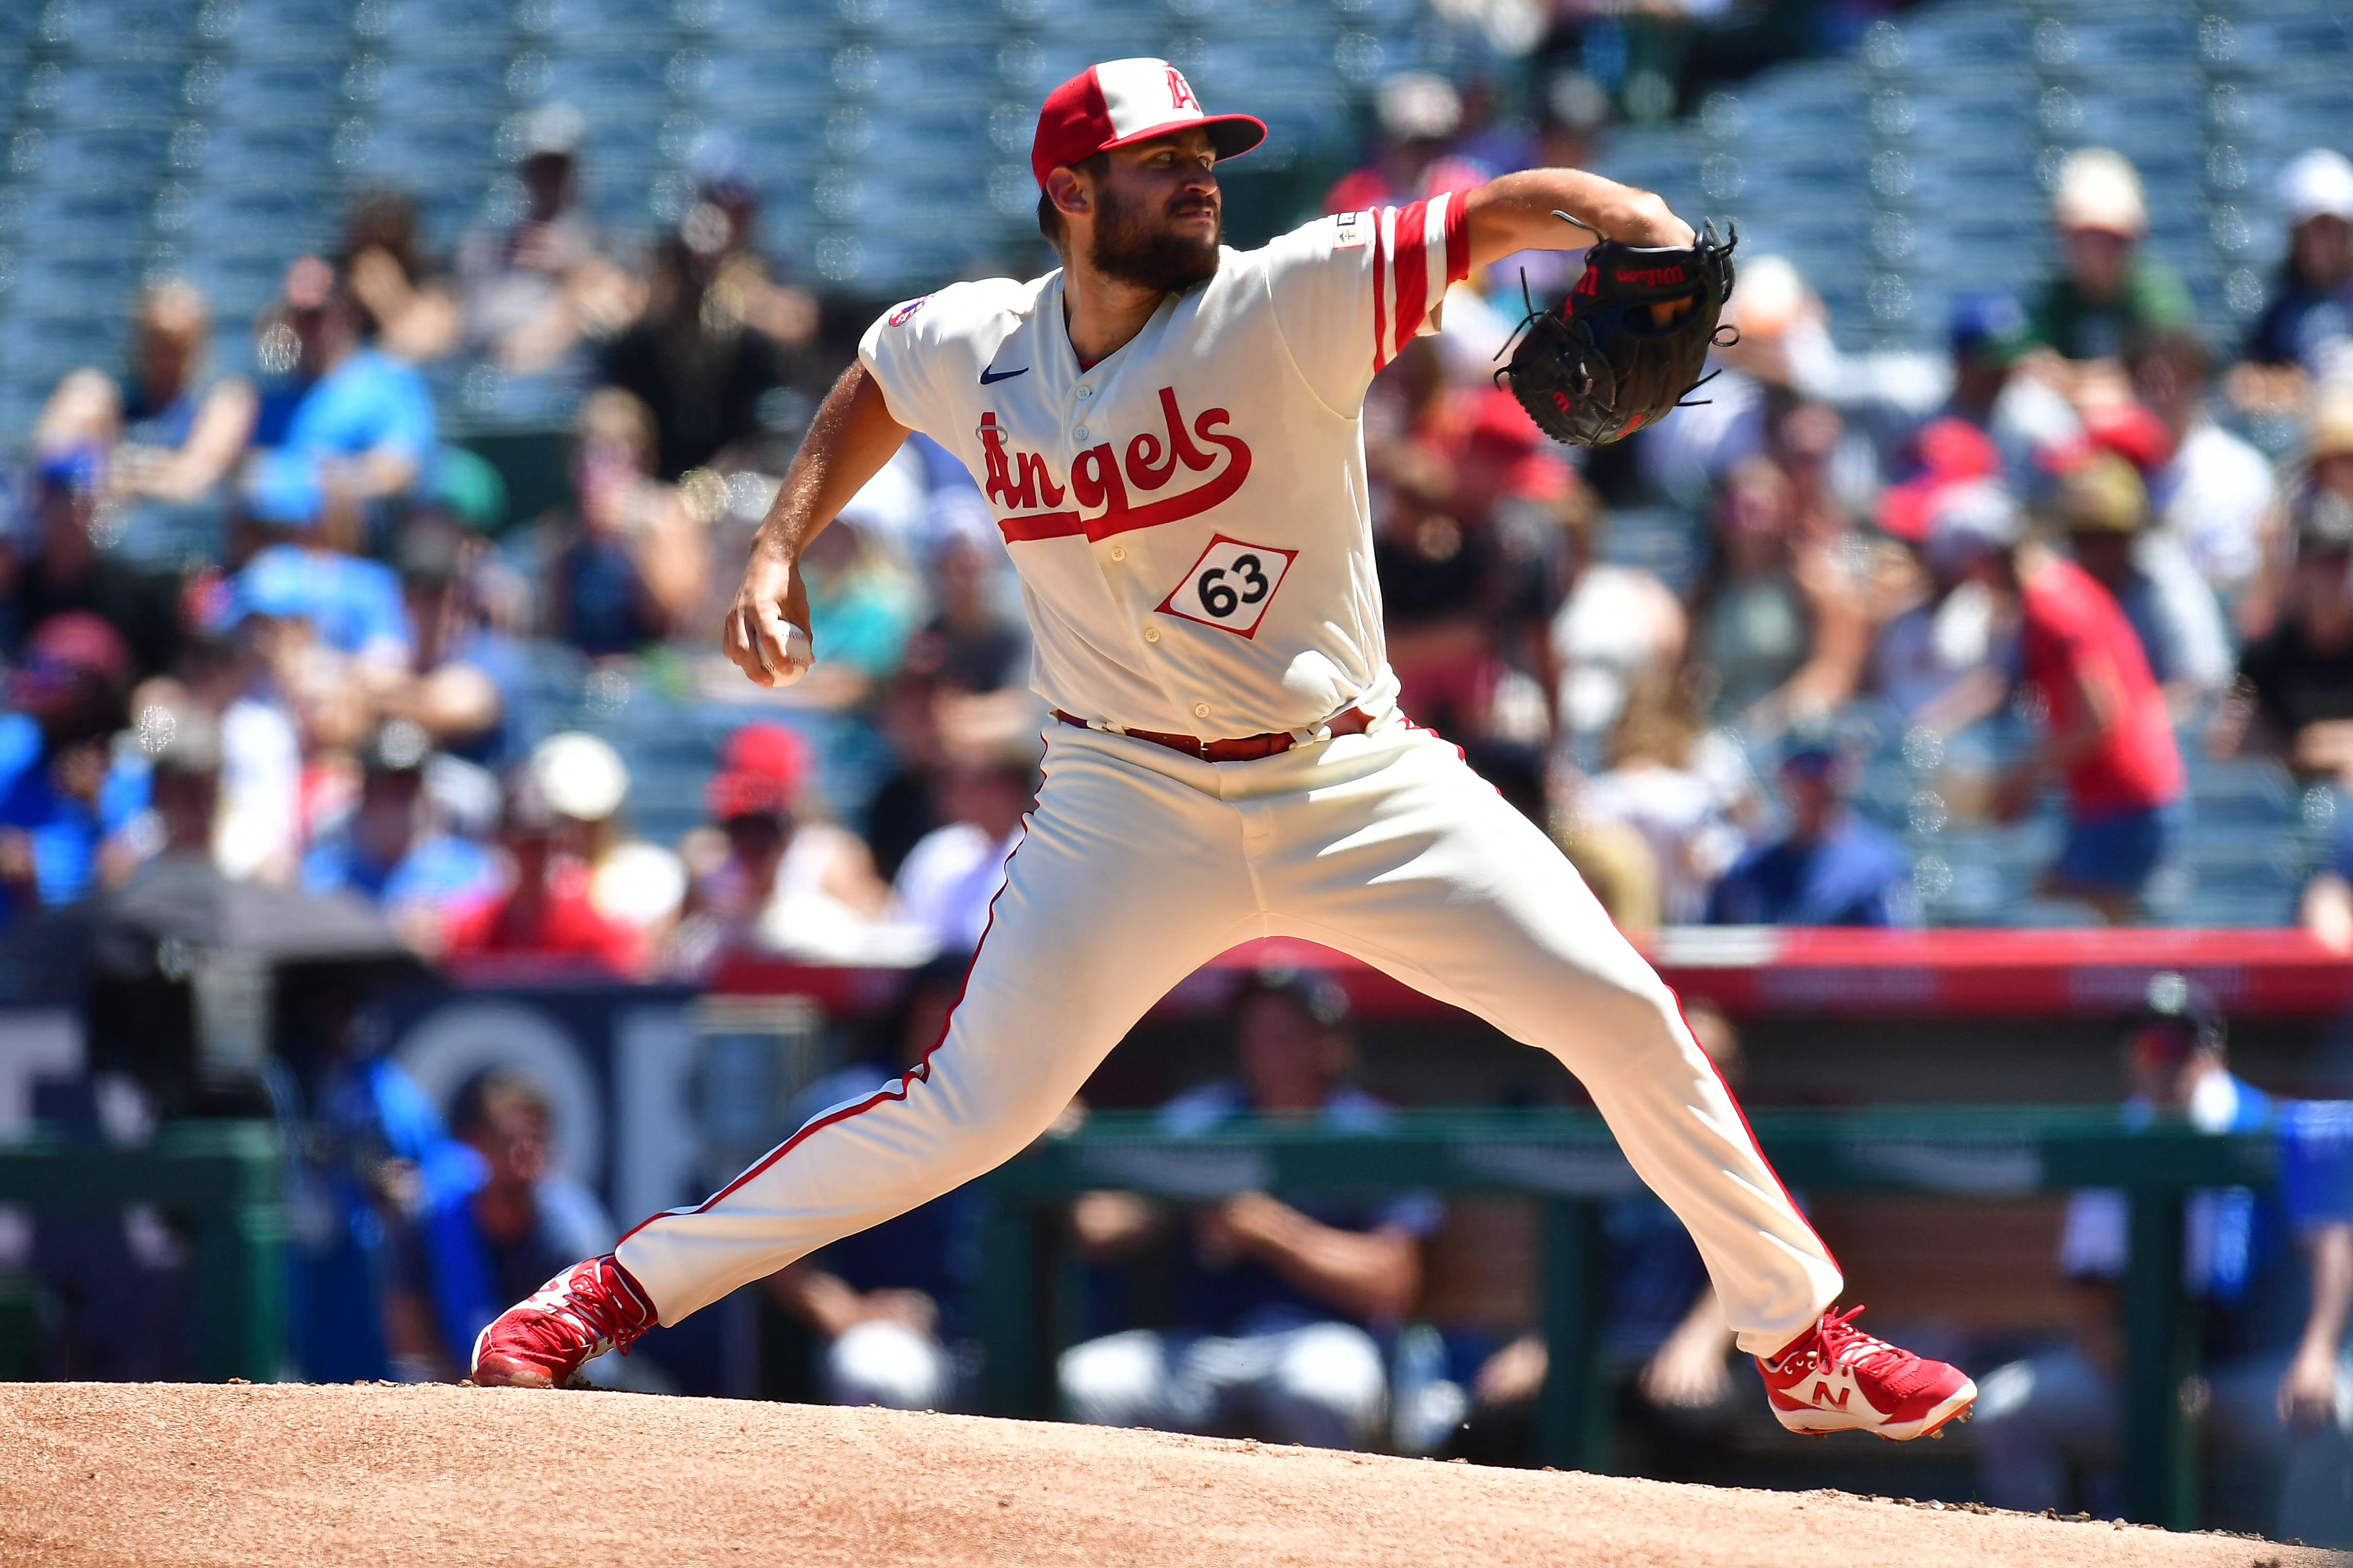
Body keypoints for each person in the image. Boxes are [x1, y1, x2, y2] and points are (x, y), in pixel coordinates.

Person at [473, 57, 1975, 1443]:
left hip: (1346, 776)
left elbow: (1479, 220)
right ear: (1069, 193)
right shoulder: (981, 347)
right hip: (1121, 797)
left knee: (1614, 1003)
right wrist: (775, 548)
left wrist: (1624, 214)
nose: (1197, 176)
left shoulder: (1283, 296)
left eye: (1204, 152)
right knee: (967, 1110)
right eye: (1156, 160)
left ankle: (1798, 1337)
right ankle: (604, 1292)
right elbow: (875, 374)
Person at [1972, 977, 2353, 1545]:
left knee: (2335, 1419)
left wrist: (2316, 1353)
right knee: (2007, 1410)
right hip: (2141, 1376)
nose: (2165, 1060)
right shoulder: (2117, 1138)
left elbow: (2329, 1246)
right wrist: (2144, 1377)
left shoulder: (2273, 1129)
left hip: (2253, 1369)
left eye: (2182, 1043)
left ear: (2214, 1051)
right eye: (2150, 1045)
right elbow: (2089, 1298)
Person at [1058, 969, 1440, 1449]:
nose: (1264, 1050)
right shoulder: (1203, 1119)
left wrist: (1269, 1230)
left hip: (1318, 1340)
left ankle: (1327, 1524)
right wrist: (1074, 1139)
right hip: (1203, 1347)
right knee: (1089, 1383)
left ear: (1329, 1044)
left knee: (1328, 1388)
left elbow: (1392, 1281)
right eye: (1254, 1033)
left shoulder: (1371, 1132)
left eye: (1284, 1034)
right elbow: (1098, 1229)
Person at [1926, 483, 2187, 919]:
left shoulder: (2055, 605)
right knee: (2070, 913)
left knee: (2081, 927)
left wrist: (2025, 776)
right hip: (2114, 798)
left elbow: (2098, 717)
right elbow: (2001, 685)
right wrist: (1934, 726)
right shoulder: (2055, 594)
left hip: (2126, 798)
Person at [764, 960, 986, 1412]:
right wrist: (851, 1312)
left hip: (1002, 1341)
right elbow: (765, 1237)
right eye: (955, 998)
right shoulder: (854, 1103)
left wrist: (1067, 1139)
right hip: (896, 1339)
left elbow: (1097, 1229)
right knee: (878, 1370)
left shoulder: (1020, 1104)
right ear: (924, 1004)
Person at [28, 278, 257, 570]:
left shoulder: (223, 401)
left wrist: (116, 472)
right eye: (154, 341)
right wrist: (154, 471)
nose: (163, 357)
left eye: (175, 344)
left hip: (190, 564)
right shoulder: (111, 403)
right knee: (83, 391)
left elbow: (192, 483)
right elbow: (49, 468)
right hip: (105, 560)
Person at [400, 1071, 614, 1380]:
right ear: (475, 1144)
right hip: (453, 1391)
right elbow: (409, 1335)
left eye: (537, 1139)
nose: (525, 1151)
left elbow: (592, 1362)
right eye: (507, 1140)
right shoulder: (434, 1221)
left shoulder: (572, 1234)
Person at [241, 255, 438, 555]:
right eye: (297, 315)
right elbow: (243, 472)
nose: (307, 326)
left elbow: (402, 470)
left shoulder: (388, 381)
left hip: (358, 555)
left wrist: (338, 477)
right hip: (272, 551)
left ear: (345, 311)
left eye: (317, 314)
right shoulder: (274, 394)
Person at [2051, 451, 2232, 713]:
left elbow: (2201, 683)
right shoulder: (2062, 584)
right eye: (2082, 538)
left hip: (2165, 730)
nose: (2094, 551)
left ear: (2131, 536)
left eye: (2107, 537)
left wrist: (2127, 724)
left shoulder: (2166, 582)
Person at [300, 718, 498, 954]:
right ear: (365, 796)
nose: (400, 802)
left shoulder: (472, 872)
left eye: (409, 786)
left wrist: (447, 927)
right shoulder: (324, 873)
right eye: (387, 787)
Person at [2214, 488, 2353, 790]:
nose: (2332, 574)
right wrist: (2299, 750)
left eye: (2341, 559)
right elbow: (2230, 741)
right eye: (2321, 560)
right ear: (2299, 567)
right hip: (2285, 801)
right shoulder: (2268, 650)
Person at [1705, 724, 1911, 928]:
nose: (1812, 779)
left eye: (1824, 766)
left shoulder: (1877, 867)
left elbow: (1899, 954)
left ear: (1849, 773)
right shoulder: (1750, 871)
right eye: (1801, 766)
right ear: (1781, 775)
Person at [2018, 148, 2196, 367]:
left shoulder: (2155, 296)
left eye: (2106, 238)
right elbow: (2035, 359)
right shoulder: (2058, 301)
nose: (2095, 249)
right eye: (2085, 237)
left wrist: (2079, 383)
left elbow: (2166, 372)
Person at [2234, 150, 2353, 407]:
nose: (2324, 242)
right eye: (2314, 229)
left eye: (2333, 228)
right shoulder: (2278, 311)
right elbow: (2252, 378)